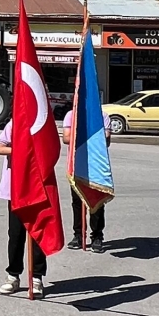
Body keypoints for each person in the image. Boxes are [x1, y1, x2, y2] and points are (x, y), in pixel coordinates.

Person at [0, 119, 46, 298]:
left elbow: (50, 150)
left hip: (37, 188)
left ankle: (37, 278)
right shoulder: (14, 123)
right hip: (16, 189)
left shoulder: (42, 121)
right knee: (16, 235)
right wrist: (21, 150)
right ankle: (13, 276)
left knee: (37, 234)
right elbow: (0, 148)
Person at [61, 108, 112, 253]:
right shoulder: (71, 115)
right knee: (77, 203)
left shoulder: (102, 116)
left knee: (97, 203)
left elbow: (106, 140)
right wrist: (89, 137)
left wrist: (83, 136)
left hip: (96, 167)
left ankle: (97, 236)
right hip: (77, 165)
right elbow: (66, 138)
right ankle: (78, 235)